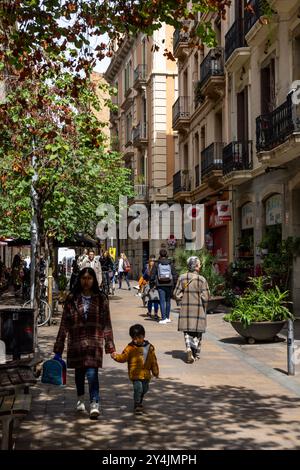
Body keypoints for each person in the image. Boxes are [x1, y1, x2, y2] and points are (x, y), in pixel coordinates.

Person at [53, 267, 115, 419]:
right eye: (83, 278)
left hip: (94, 342)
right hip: (77, 342)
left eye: (89, 278)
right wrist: (59, 347)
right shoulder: (72, 298)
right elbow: (64, 323)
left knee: (92, 373)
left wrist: (110, 345)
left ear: (94, 280)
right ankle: (80, 398)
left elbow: (106, 323)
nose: (86, 281)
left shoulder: (101, 298)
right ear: (79, 280)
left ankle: (94, 403)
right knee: (79, 373)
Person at [111, 324, 159, 414]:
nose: (135, 340)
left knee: (145, 389)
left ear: (143, 336)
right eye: (133, 338)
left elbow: (153, 360)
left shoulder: (150, 347)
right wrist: (115, 356)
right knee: (138, 388)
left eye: (138, 338)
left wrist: (155, 371)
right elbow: (123, 357)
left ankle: (139, 401)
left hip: (146, 375)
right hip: (135, 374)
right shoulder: (130, 348)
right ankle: (137, 404)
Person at [173, 256, 210, 364]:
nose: (200, 266)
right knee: (197, 332)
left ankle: (189, 348)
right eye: (199, 264)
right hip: (198, 310)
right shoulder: (202, 279)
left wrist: (182, 301)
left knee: (187, 331)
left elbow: (176, 294)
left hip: (186, 309)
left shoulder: (182, 277)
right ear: (197, 267)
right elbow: (206, 297)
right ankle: (195, 353)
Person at [150, 248, 177, 324]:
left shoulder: (157, 263)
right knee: (168, 301)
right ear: (166, 255)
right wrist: (174, 284)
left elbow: (152, 275)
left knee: (162, 301)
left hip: (160, 284)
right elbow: (174, 274)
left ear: (160, 255)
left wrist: (152, 283)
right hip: (169, 283)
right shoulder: (170, 263)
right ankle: (167, 318)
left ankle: (163, 318)